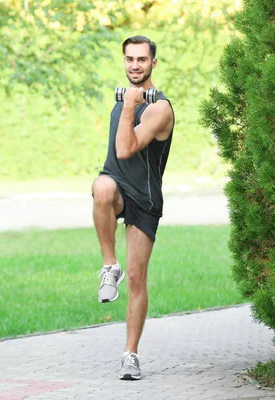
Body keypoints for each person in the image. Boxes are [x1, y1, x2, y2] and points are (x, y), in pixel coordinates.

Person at [92, 35, 175, 381]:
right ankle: (109, 266)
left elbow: (126, 148)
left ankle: (131, 354)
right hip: (117, 187)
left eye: (142, 59)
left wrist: (130, 107)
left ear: (153, 63)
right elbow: (115, 161)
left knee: (138, 278)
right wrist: (127, 104)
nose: (135, 65)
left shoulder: (158, 108)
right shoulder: (125, 100)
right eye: (129, 59)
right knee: (102, 186)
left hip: (144, 198)